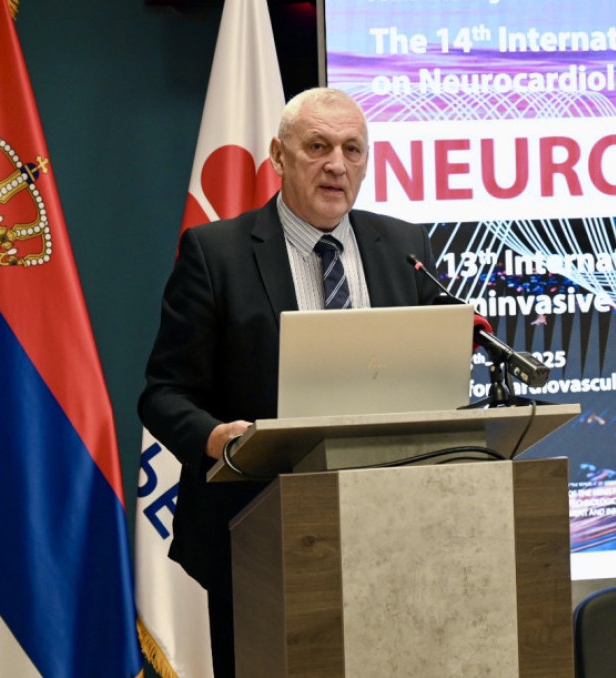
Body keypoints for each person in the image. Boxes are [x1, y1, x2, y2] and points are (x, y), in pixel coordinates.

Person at [139, 87, 443, 677]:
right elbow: (164, 393)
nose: (337, 165)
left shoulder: (406, 247)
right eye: (318, 146)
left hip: (395, 529)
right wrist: (216, 439)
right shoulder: (216, 253)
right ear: (279, 156)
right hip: (257, 532)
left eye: (353, 149)